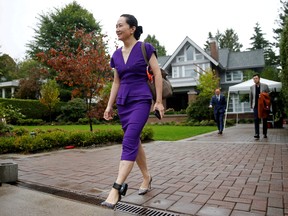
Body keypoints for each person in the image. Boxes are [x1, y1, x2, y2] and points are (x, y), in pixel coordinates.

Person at [101, 14, 164, 209]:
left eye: (121, 25)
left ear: (132, 28)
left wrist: (159, 101)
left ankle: (116, 189)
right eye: (116, 26)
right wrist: (109, 105)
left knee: (128, 141)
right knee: (134, 140)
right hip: (124, 103)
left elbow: (157, 73)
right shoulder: (116, 55)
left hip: (141, 100)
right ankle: (147, 177)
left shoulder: (145, 48)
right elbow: (116, 82)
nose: (117, 29)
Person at [250, 73, 270, 139]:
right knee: (256, 119)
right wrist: (251, 106)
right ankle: (257, 134)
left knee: (264, 119)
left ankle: (265, 133)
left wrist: (263, 94)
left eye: (256, 78)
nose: (255, 80)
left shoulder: (265, 86)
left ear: (259, 78)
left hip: (263, 105)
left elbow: (269, 94)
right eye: (254, 79)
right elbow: (251, 97)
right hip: (255, 106)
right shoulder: (252, 87)